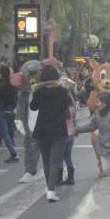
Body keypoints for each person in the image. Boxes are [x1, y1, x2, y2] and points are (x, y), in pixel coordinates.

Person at [76, 91, 110, 201]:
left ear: (106, 103)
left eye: (99, 102)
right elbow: (92, 126)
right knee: (106, 170)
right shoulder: (98, 113)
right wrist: (79, 129)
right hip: (102, 145)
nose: (97, 104)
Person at [29, 66, 73, 201]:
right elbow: (67, 109)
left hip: (42, 129)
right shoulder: (62, 91)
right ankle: (51, 190)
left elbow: (33, 107)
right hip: (58, 129)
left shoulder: (39, 91)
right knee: (55, 161)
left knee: (46, 160)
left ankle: (49, 186)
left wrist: (35, 91)